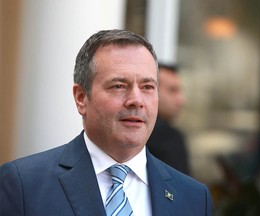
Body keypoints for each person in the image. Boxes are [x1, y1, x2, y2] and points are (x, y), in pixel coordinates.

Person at [0, 29, 213, 216]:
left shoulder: (193, 198)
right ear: (81, 97)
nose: (136, 100)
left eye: (147, 87)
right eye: (119, 86)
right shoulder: (23, 186)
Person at [146, 63, 190, 175]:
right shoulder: (168, 137)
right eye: (172, 90)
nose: (181, 100)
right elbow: (180, 189)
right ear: (150, 89)